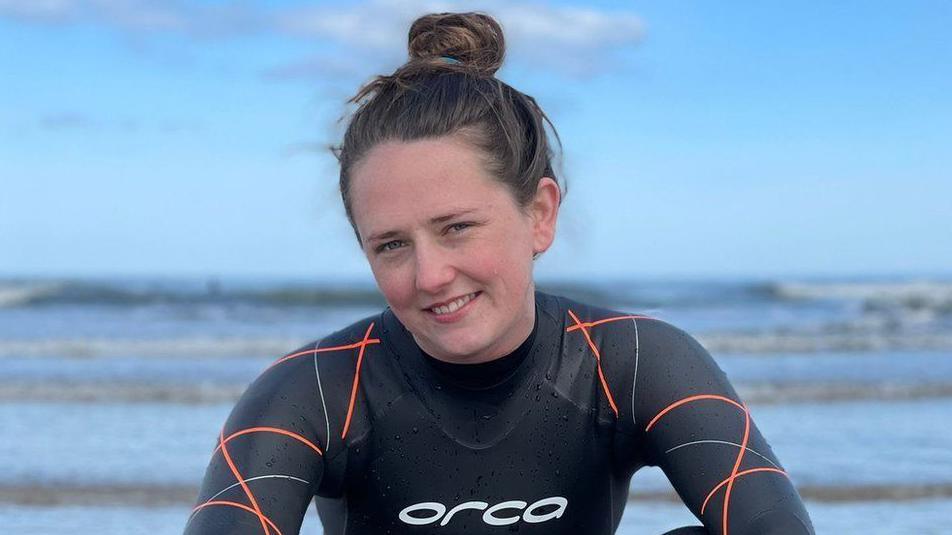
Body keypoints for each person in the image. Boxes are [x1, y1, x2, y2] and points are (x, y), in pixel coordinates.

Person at [184, 11, 814, 535]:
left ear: (539, 214)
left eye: (457, 226)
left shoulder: (634, 360)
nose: (430, 275)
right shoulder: (313, 390)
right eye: (392, 244)